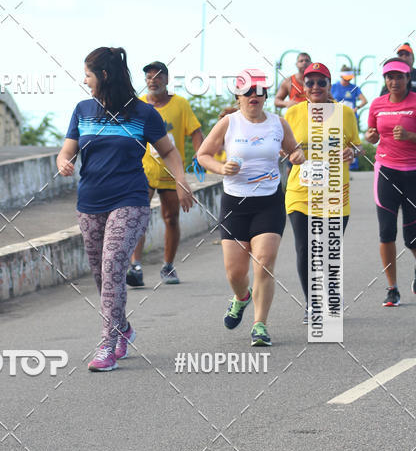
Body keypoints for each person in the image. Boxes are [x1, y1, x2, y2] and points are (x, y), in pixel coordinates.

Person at [57, 47, 194, 371]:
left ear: (103, 76)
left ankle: (107, 343)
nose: (85, 80)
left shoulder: (143, 113)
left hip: (130, 199)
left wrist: (181, 181)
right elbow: (66, 151)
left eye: (88, 74)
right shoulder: (83, 109)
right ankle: (123, 329)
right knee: (101, 276)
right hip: (89, 201)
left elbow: (169, 152)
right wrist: (63, 161)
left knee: (113, 266)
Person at [197, 70, 304, 347]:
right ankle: (242, 297)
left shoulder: (278, 124)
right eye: (248, 91)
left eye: (259, 91)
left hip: (268, 202)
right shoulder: (228, 123)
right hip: (235, 203)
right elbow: (203, 155)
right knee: (235, 272)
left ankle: (260, 325)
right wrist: (222, 168)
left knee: (264, 263)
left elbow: (294, 151)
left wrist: (297, 155)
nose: (254, 96)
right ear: (238, 96)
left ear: (266, 95)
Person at [284, 62, 360, 322]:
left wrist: (353, 152)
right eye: (310, 83)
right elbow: (282, 148)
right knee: (305, 248)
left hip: (336, 193)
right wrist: (291, 154)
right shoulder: (292, 114)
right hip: (300, 191)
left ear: (330, 86)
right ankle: (312, 304)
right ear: (303, 87)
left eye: (321, 82)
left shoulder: (345, 113)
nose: (315, 87)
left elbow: (357, 145)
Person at [126, 61, 204, 287]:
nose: (153, 81)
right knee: (138, 217)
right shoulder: (137, 105)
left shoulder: (180, 104)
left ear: (167, 80)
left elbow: (196, 132)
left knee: (171, 218)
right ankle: (135, 267)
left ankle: (168, 266)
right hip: (143, 170)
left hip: (171, 170)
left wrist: (200, 155)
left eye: (158, 77)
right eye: (149, 77)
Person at [365, 57, 416, 305]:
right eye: (389, 76)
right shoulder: (377, 104)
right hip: (386, 171)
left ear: (408, 78)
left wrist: (410, 135)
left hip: (413, 173)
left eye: (399, 76)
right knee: (386, 233)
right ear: (384, 80)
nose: (394, 81)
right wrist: (371, 136)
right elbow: (372, 136)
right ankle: (392, 288)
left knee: (412, 237)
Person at [331, 65, 367, 171]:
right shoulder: (334, 87)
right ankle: (336, 165)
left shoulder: (354, 87)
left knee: (352, 142)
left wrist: (356, 108)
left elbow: (364, 100)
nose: (348, 80)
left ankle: (352, 166)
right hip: (336, 118)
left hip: (351, 119)